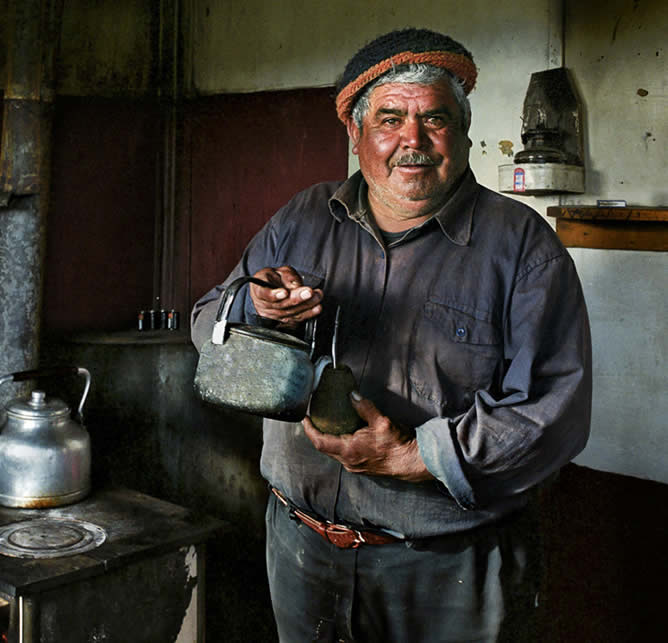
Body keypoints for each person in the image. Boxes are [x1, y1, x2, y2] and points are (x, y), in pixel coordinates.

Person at [190, 28, 592, 643]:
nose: (413, 140)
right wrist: (258, 309)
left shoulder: (523, 248)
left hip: (447, 565)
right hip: (301, 551)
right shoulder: (302, 217)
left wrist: (413, 457)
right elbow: (207, 325)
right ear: (357, 134)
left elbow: (552, 413)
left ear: (462, 133)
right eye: (391, 119)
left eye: (435, 119)